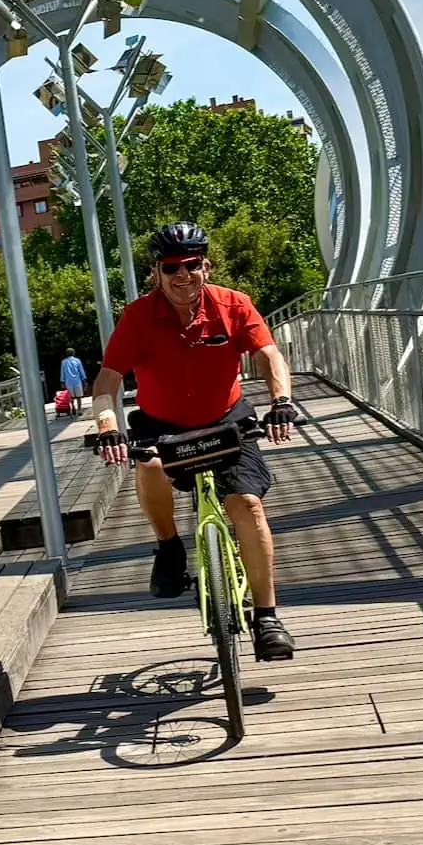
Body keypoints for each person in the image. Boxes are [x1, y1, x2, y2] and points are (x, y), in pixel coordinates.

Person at [90, 221, 301, 661]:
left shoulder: (233, 304)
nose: (182, 275)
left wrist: (281, 400)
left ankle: (267, 617)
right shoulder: (138, 317)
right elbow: (108, 379)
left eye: (191, 264)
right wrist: (108, 427)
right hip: (160, 423)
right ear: (156, 273)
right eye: (171, 268)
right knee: (148, 463)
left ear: (206, 266)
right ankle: (169, 547)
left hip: (226, 418)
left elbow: (268, 354)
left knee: (247, 505)